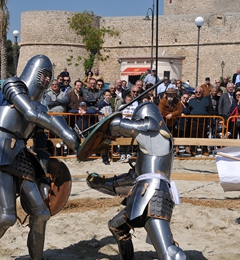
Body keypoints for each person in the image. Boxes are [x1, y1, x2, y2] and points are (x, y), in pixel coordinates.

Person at [0, 55, 79, 260]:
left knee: (41, 214)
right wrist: (65, 132)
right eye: (43, 75)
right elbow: (29, 113)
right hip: (0, 148)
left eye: (49, 77)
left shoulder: (41, 107)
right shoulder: (13, 85)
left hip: (19, 155)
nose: (46, 80)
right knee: (6, 217)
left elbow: (41, 146)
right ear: (33, 72)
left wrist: (43, 177)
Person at [85, 102, 186, 260]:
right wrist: (99, 183)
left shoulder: (157, 137)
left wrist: (99, 132)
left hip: (156, 197)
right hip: (142, 196)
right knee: (116, 226)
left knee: (169, 253)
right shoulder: (149, 147)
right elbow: (132, 179)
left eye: (139, 121)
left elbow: (117, 125)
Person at [188, 86, 214, 156]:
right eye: (196, 92)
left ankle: (204, 150)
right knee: (193, 136)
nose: (198, 93)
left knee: (203, 135)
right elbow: (189, 110)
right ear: (195, 93)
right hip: (194, 121)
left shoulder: (206, 100)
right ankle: (193, 150)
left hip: (203, 121)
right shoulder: (191, 101)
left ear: (202, 93)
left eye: (200, 92)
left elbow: (210, 110)